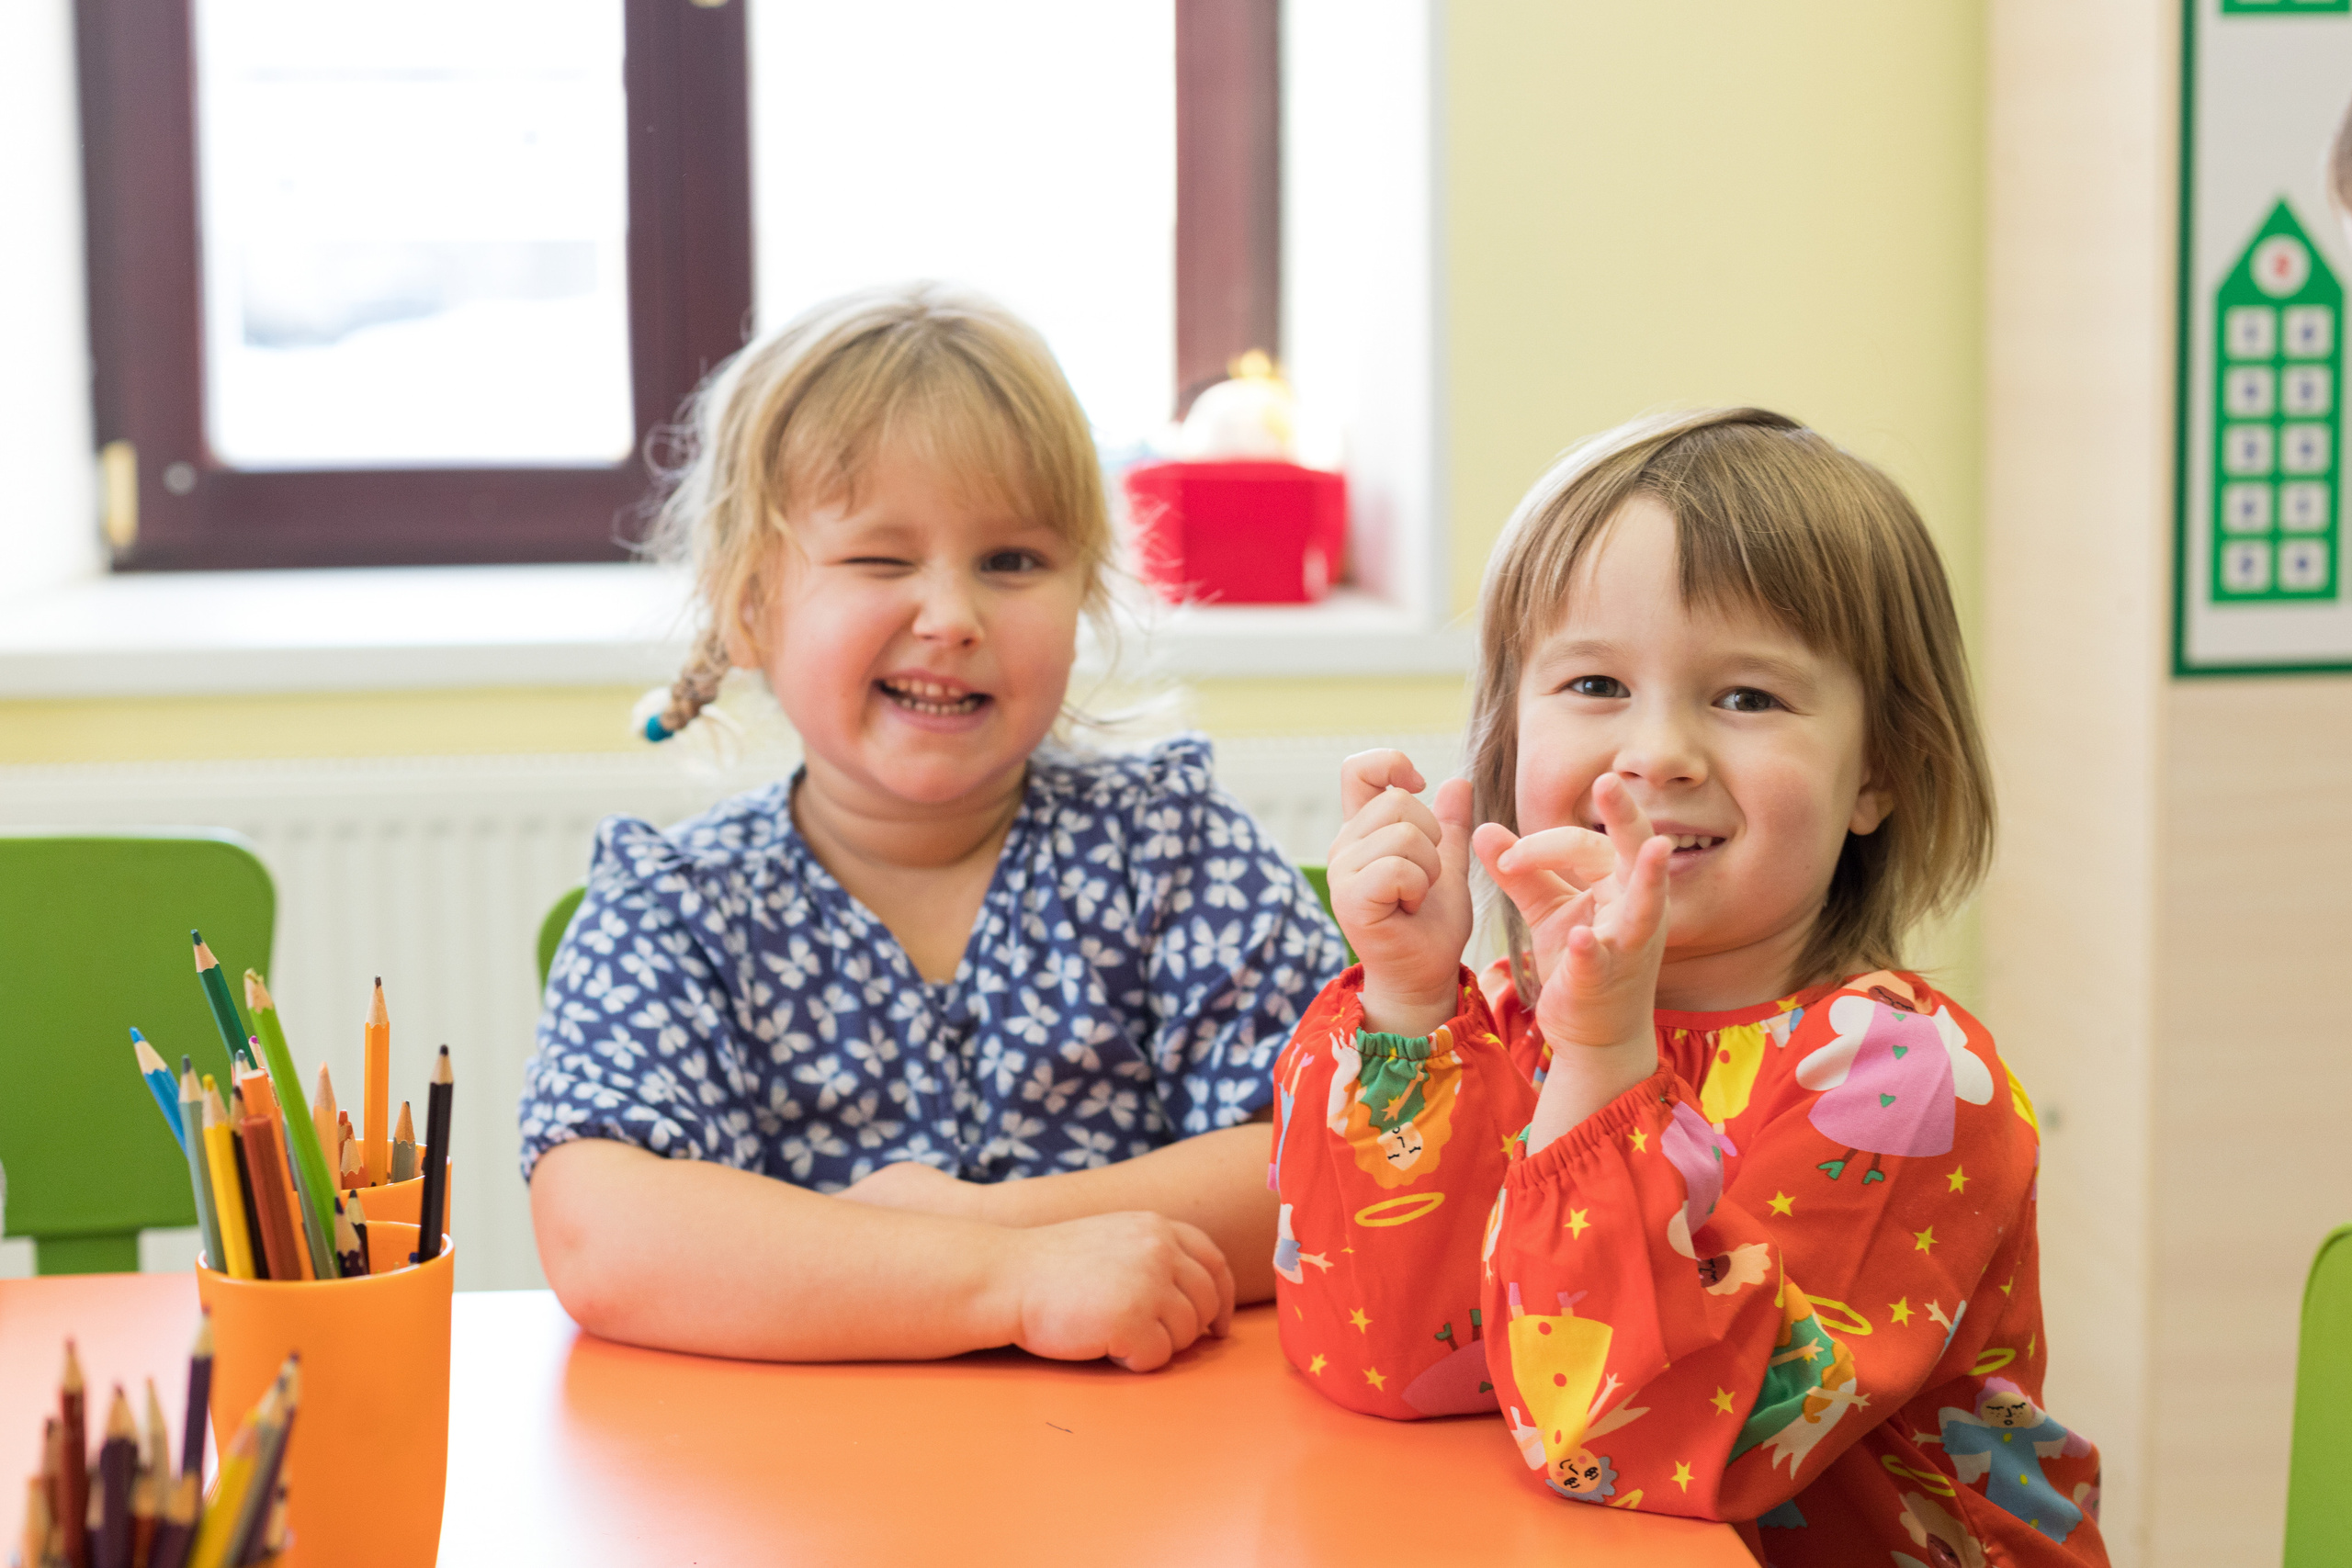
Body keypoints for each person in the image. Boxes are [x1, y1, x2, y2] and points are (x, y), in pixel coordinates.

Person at [1272, 409, 2108, 1562]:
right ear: (1509, 738)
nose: (1655, 751)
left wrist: (1606, 1062)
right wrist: (1410, 1003)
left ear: (1882, 772)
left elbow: (1653, 1440)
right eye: (1596, 683)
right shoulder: (1520, 1032)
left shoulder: (1900, 1082)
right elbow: (1397, 1360)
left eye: (1748, 698)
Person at [522, 283, 1347, 1371]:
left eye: (1012, 563)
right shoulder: (674, 907)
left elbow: (1335, 1164)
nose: (952, 618)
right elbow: (602, 1235)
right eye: (879, 560)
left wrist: (955, 1225)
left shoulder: (1174, 854)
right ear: (749, 606)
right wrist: (1013, 1281)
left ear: (1085, 592)